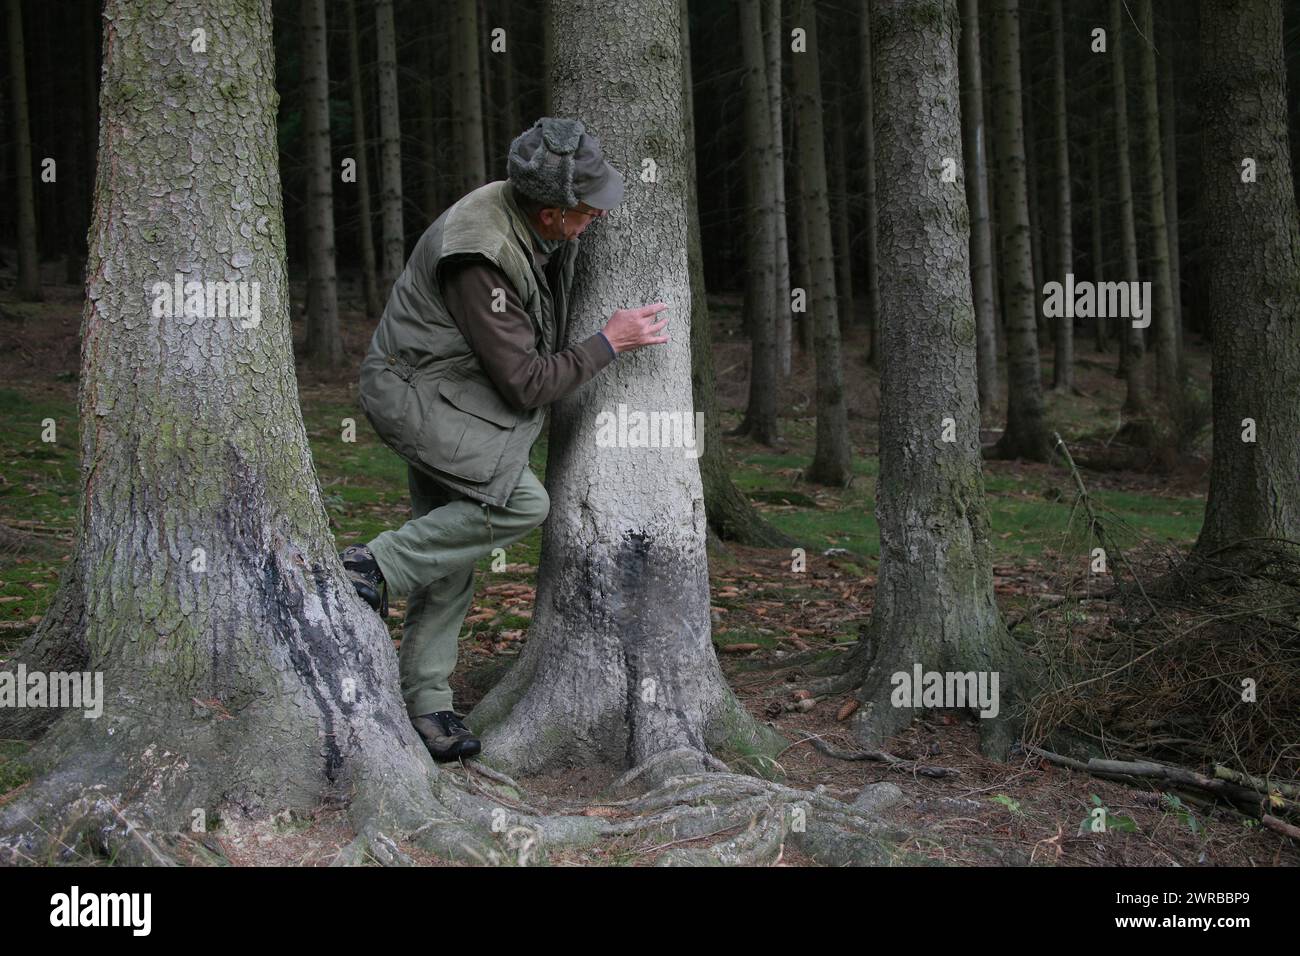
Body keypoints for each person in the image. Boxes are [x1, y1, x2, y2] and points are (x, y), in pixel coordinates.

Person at [346, 117, 670, 761]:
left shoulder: (523, 214)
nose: (595, 220)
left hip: (453, 391)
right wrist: (610, 342)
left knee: (449, 548)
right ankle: (368, 566)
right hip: (422, 395)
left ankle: (428, 705)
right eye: (585, 212)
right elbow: (524, 382)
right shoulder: (481, 258)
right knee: (521, 504)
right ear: (549, 213)